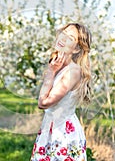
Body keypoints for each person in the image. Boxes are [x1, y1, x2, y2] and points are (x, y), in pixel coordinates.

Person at [30, 22, 92, 161]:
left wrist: (51, 72)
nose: (63, 39)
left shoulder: (73, 71)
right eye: (63, 34)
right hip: (50, 128)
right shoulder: (58, 66)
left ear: (76, 49)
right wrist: (52, 70)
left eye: (70, 38)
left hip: (63, 134)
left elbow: (43, 102)